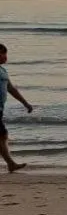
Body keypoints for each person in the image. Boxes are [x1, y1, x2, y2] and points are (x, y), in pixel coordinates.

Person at [0, 43, 35, 173]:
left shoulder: (3, 71)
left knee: (3, 136)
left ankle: (10, 164)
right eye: (3, 53)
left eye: (5, 53)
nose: (5, 57)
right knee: (2, 136)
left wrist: (25, 103)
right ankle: (11, 164)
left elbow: (11, 88)